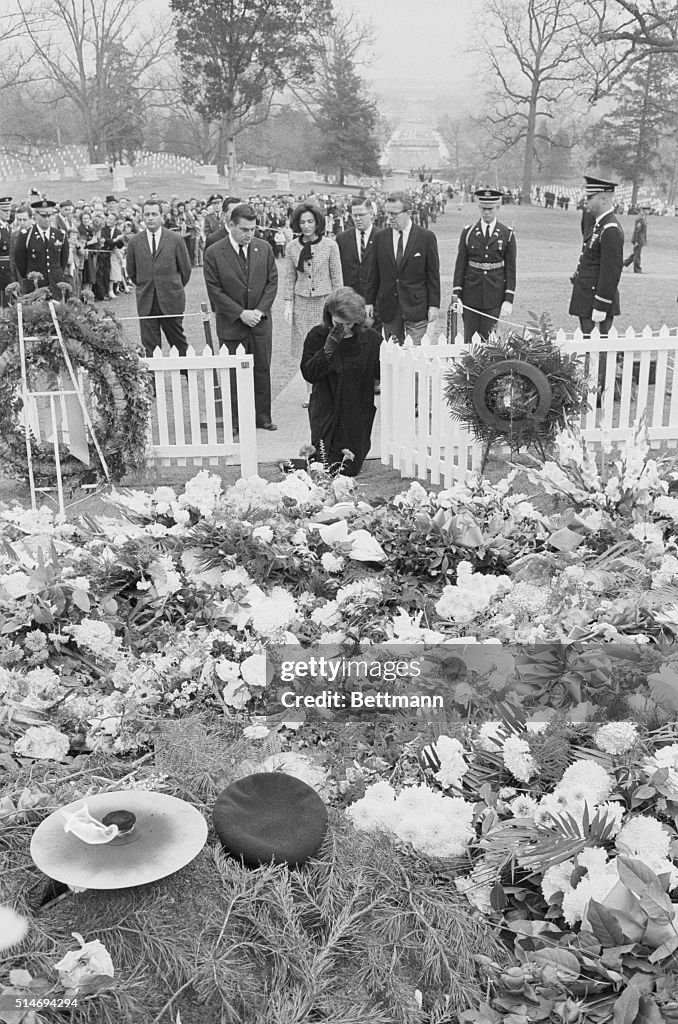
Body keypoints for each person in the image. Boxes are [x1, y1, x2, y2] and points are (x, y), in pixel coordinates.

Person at [203, 203, 278, 434]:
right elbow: (215, 291)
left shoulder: (264, 248)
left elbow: (272, 282)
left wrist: (259, 311)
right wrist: (240, 313)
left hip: (260, 322)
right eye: (244, 229)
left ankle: (262, 416)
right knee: (233, 375)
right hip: (232, 324)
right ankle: (235, 420)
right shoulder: (214, 252)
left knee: (261, 369)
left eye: (253, 229)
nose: (249, 234)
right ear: (230, 225)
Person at [301, 286, 381, 477]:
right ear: (329, 315)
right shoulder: (317, 336)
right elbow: (309, 373)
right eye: (339, 322)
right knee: (322, 466)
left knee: (348, 468)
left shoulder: (371, 339)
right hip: (325, 408)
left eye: (349, 324)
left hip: (356, 411)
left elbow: (379, 374)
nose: (344, 328)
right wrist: (327, 350)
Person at [569, 175, 624, 402]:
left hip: (597, 301)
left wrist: (601, 304)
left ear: (603, 198)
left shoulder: (610, 228)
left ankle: (597, 392)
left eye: (590, 197)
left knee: (598, 348)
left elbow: (611, 270)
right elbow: (591, 257)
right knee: (588, 346)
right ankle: (589, 388)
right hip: (586, 294)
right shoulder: (598, 223)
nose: (586, 201)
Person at [283, 201, 343, 407]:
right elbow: (289, 277)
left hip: (325, 303)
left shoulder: (330, 246)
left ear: (318, 223)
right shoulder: (291, 247)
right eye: (302, 222)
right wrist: (288, 303)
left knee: (328, 345)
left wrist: (337, 307)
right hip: (301, 303)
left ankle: (330, 388)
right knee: (306, 348)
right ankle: (309, 390)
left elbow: (337, 278)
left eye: (310, 221)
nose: (306, 226)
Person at [365, 191, 440, 345]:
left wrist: (434, 305)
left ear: (409, 213)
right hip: (390, 307)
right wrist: (369, 302)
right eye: (388, 213)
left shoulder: (425, 237)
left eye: (394, 214)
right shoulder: (380, 238)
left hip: (416, 307)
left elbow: (433, 274)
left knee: (416, 354)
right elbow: (374, 273)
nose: (390, 217)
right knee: (393, 355)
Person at [125, 198, 192, 358]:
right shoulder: (135, 242)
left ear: (162, 216)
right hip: (147, 301)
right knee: (150, 348)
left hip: (171, 300)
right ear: (142, 217)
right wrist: (147, 286)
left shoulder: (175, 239)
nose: (150, 218)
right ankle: (154, 381)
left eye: (154, 214)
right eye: (147, 214)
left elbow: (185, 271)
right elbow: (132, 272)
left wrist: (171, 287)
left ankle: (187, 375)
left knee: (178, 342)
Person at [452, 187, 516, 345]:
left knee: (490, 340)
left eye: (490, 209)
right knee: (470, 339)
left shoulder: (506, 234)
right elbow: (460, 266)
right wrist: (457, 295)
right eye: (484, 209)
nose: (487, 213)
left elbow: (510, 269)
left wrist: (509, 299)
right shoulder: (469, 233)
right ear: (479, 208)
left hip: (494, 294)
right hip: (471, 293)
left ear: (498, 208)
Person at [335, 196, 381, 333]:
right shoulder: (342, 238)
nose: (358, 219)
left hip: (375, 303)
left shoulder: (382, 236)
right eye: (355, 215)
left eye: (362, 215)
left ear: (371, 213)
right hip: (350, 303)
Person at [13, 198, 69, 300]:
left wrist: (56, 274)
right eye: (43, 216)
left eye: (50, 215)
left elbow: (63, 261)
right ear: (36, 215)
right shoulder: (26, 235)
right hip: (35, 286)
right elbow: (20, 262)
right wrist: (31, 276)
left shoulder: (60, 235)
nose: (47, 219)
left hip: (56, 284)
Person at [0, 197, 12, 307]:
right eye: (4, 211)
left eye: (9, 210)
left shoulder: (8, 227)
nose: (7, 213)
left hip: (9, 269)